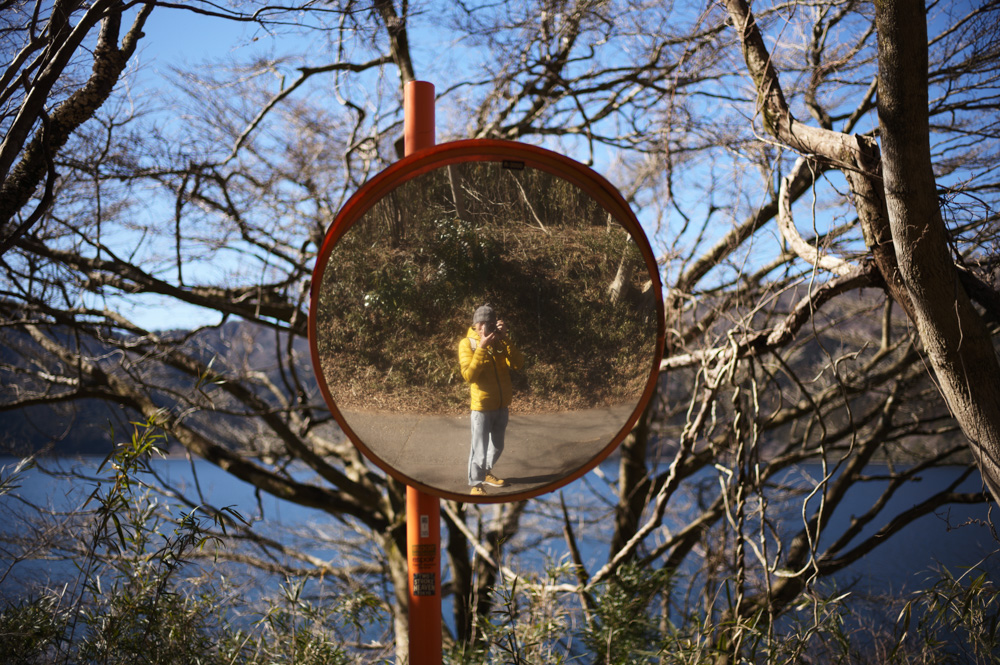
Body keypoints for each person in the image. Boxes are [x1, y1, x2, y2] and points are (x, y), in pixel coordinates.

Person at [458, 304, 524, 496]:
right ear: (476, 325)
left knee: (497, 446)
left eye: (491, 324)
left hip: (502, 405)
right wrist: (481, 348)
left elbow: (518, 364)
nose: (485, 328)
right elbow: (469, 376)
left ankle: (486, 473)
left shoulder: (500, 342)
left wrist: (506, 339)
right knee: (478, 449)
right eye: (482, 324)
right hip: (482, 407)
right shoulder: (467, 344)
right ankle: (476, 484)